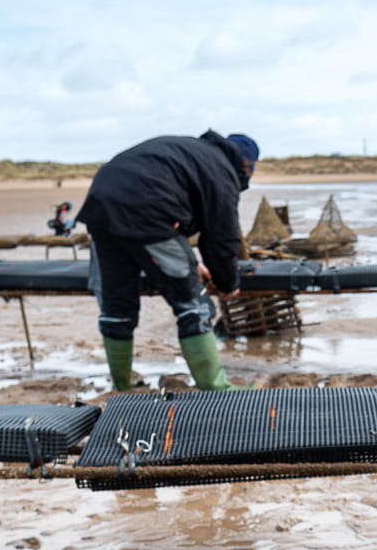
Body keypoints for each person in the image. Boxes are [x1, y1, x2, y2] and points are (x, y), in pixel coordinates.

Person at [75, 130, 258, 392]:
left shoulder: (191, 152)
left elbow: (171, 223)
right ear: (246, 165)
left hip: (101, 206)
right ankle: (216, 387)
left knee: (117, 306)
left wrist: (192, 263)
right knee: (193, 304)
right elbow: (222, 237)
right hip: (149, 213)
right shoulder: (222, 171)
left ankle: (123, 385)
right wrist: (228, 284)